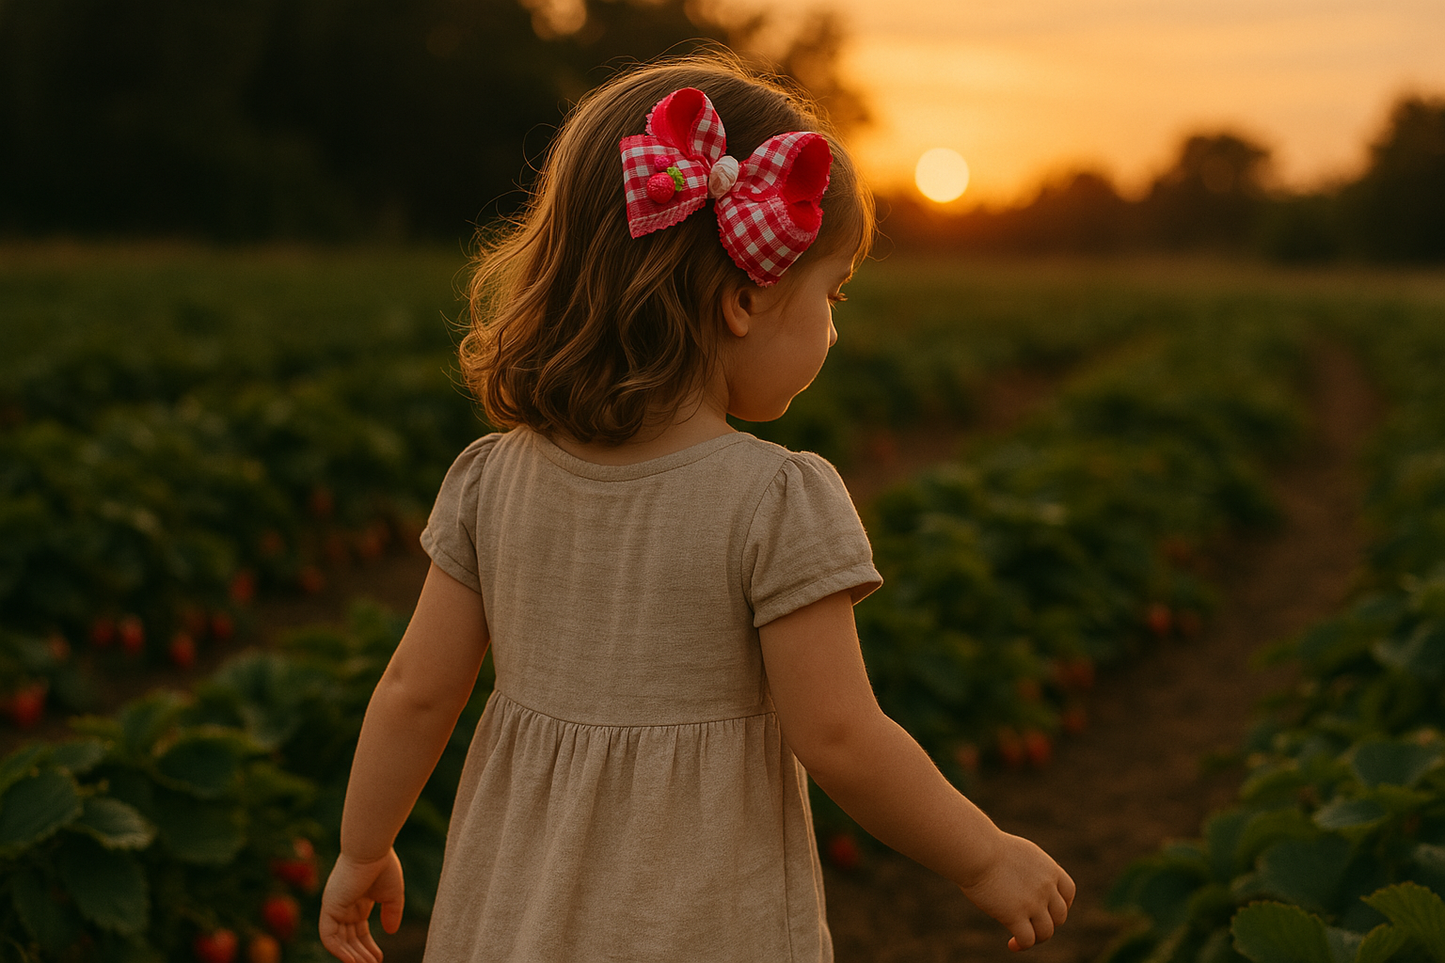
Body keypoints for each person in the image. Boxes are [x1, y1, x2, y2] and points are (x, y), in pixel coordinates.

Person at [318, 50, 1074, 963]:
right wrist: (985, 857)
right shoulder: (774, 499)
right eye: (829, 295)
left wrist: (363, 845)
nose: (833, 326)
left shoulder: (489, 478)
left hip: (515, 918)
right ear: (746, 298)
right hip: (701, 925)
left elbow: (415, 691)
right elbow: (838, 734)